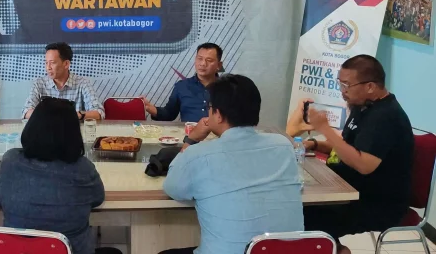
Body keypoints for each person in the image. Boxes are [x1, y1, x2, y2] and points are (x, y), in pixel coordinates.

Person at [162, 75, 303, 254]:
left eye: (209, 108)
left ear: (218, 115)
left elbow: (173, 188)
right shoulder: (283, 145)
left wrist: (191, 140)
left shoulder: (198, 155)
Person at [300, 55, 414, 254]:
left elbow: (363, 164)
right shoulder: (362, 106)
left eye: (346, 85)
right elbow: (346, 147)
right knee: (295, 207)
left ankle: (336, 249)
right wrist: (314, 144)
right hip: (345, 191)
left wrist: (325, 129)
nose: (342, 90)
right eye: (340, 83)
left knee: (302, 216)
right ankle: (337, 248)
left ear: (370, 86)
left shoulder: (386, 117)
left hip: (376, 204)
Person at [0, 97, 120, 254]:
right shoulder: (83, 169)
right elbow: (98, 198)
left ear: (32, 127)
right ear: (73, 133)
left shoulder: (10, 161)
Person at [141, 43, 223, 122]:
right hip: (190, 131)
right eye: (199, 58)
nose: (203, 63)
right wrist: (150, 108)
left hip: (219, 132)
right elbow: (169, 114)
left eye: (209, 60)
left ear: (219, 65)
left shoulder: (228, 88)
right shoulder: (182, 86)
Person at [22, 42, 104, 120]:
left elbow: (99, 113)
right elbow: (26, 112)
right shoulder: (39, 83)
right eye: (46, 63)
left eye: (52, 63)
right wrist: (49, 116)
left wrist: (73, 115)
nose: (48, 67)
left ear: (66, 64)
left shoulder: (82, 83)